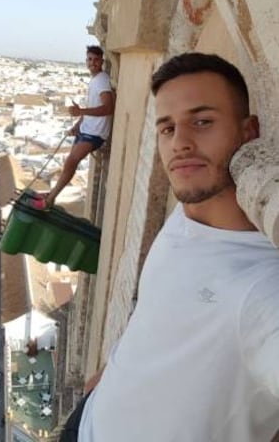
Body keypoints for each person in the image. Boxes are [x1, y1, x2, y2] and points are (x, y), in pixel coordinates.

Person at [60, 52, 279, 442]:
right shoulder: (186, 212)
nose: (180, 143)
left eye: (202, 121)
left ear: (249, 133)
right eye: (167, 128)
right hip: (87, 418)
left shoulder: (262, 289)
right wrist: (114, 368)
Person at [31, 45, 114, 209]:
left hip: (95, 133)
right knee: (69, 163)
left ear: (102, 61)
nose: (93, 63)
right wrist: (78, 124)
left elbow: (108, 108)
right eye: (90, 59)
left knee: (71, 161)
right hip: (87, 129)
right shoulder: (95, 80)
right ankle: (52, 195)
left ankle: (50, 199)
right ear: (86, 61)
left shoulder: (102, 80)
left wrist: (80, 111)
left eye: (96, 60)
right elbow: (93, 105)